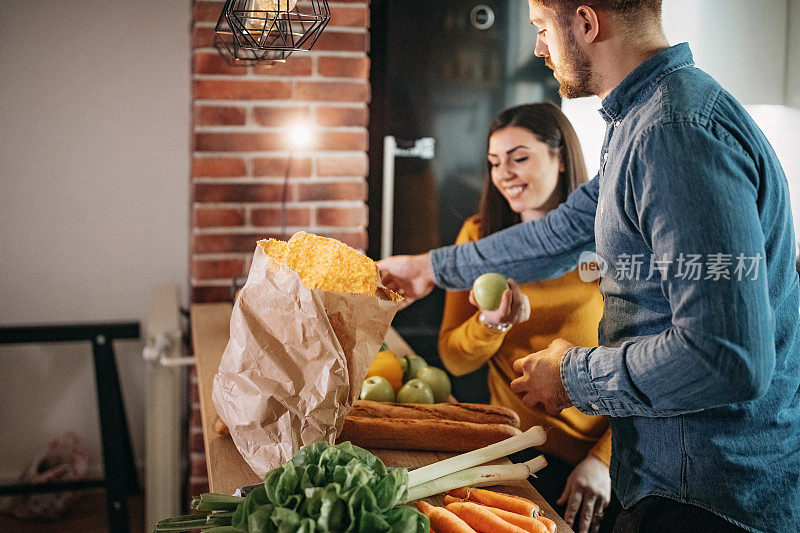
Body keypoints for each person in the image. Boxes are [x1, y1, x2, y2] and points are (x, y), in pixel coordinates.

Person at [378, 1, 800, 532]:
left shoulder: (674, 133)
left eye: (541, 28)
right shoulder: (644, 120)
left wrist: (573, 376)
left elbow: (726, 355)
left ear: (585, 22)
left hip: (707, 499)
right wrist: (432, 268)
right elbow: (565, 229)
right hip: (677, 481)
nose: (537, 48)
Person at [438, 102, 617, 532]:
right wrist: (492, 323)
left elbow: (641, 358)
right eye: (495, 162)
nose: (505, 174)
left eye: (520, 158)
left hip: (603, 458)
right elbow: (454, 358)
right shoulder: (479, 238)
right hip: (515, 448)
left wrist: (604, 460)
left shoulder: (609, 240)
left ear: (560, 157)